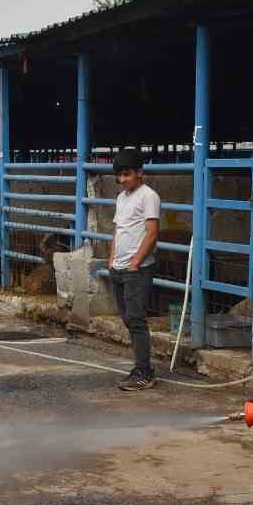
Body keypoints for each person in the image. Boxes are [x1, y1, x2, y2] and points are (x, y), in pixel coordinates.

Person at [109, 148, 160, 392]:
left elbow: (151, 233)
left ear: (140, 172)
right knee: (129, 319)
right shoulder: (121, 198)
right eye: (119, 176)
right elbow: (118, 231)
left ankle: (143, 372)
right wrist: (112, 261)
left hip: (136, 269)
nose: (122, 180)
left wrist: (135, 263)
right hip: (119, 268)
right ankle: (142, 367)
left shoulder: (148, 196)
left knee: (137, 320)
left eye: (127, 174)